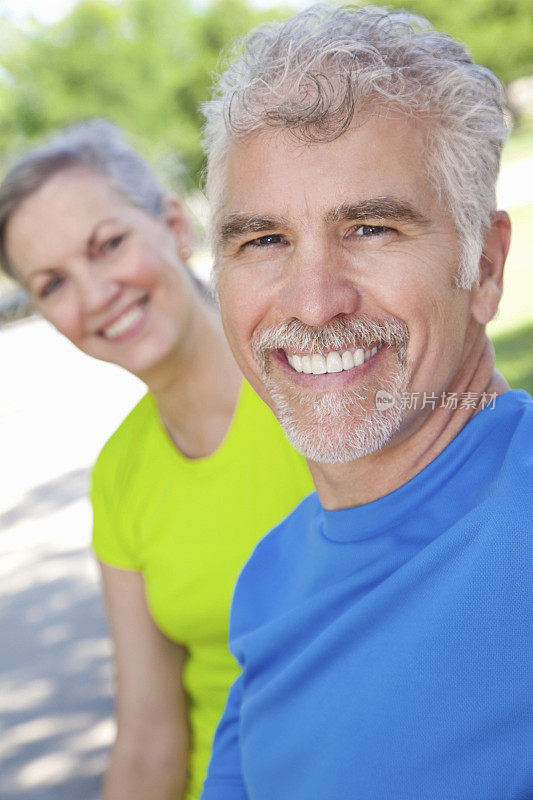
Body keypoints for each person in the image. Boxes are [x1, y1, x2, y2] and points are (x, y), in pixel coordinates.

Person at [199, 5, 533, 798]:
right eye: (263, 240)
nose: (313, 304)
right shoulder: (270, 577)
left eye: (371, 228)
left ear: (482, 266)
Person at [0, 120, 313, 800]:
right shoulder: (120, 475)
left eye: (107, 245)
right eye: (52, 284)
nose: (94, 294)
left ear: (174, 224)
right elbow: (148, 739)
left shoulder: (319, 380)